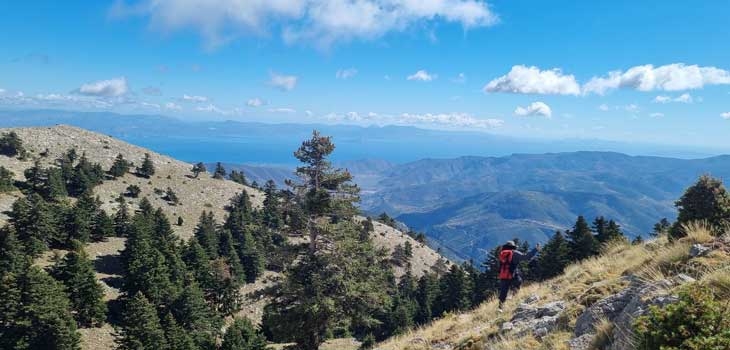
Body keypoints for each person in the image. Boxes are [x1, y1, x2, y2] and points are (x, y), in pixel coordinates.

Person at [497, 240, 540, 311]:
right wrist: (535, 250)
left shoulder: (502, 254)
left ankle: (500, 307)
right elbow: (526, 257)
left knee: (503, 291)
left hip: (503, 276)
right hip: (513, 275)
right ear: (513, 247)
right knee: (518, 282)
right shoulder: (514, 253)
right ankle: (514, 298)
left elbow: (500, 266)